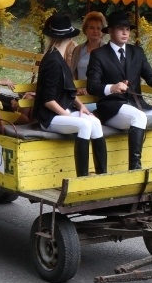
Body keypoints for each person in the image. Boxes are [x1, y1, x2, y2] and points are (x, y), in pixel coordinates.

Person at [86, 10, 152, 170]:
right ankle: (135, 168)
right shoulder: (98, 55)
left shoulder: (137, 52)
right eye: (120, 29)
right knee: (139, 117)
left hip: (138, 106)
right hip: (111, 109)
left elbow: (150, 77)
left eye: (127, 29)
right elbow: (92, 86)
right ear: (110, 31)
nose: (125, 32)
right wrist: (112, 88)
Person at [33, 14, 107, 177]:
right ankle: (82, 176)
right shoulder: (52, 60)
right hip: (49, 117)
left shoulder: (58, 57)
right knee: (84, 125)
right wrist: (68, 115)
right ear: (68, 37)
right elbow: (48, 101)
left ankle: (102, 174)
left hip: (61, 112)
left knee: (94, 121)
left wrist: (81, 107)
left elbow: (68, 90)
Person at [69, 11, 107, 93]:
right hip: (79, 94)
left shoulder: (108, 50)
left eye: (98, 28)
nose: (95, 31)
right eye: (91, 28)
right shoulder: (78, 49)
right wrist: (77, 89)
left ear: (103, 31)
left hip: (99, 95)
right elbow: (72, 73)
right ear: (85, 29)